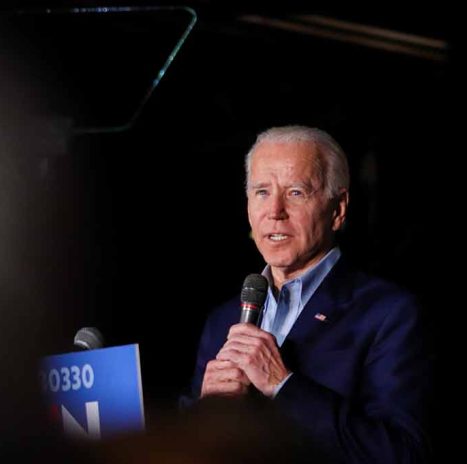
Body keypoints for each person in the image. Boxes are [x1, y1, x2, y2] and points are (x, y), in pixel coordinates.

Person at [184, 125, 432, 463]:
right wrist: (207, 412)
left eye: (296, 192)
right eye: (261, 192)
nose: (274, 211)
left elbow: (401, 453)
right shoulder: (223, 320)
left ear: (338, 209)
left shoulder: (389, 313)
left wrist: (284, 386)